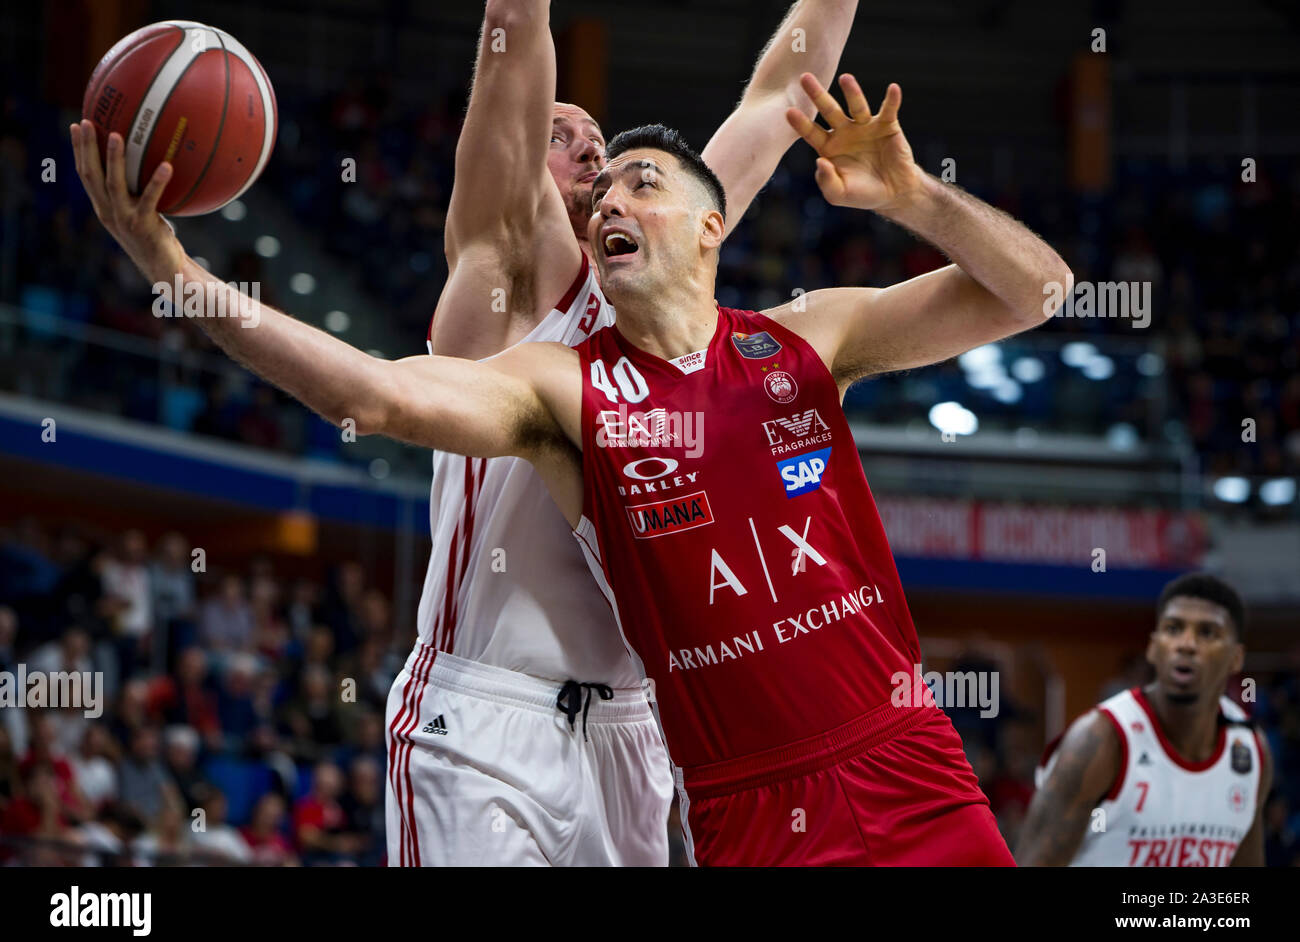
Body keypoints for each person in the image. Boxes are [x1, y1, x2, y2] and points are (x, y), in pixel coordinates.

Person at [69, 64, 1068, 863]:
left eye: (642, 180)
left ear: (712, 226)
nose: (608, 200)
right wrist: (180, 276)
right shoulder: (561, 390)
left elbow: (1037, 291)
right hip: (742, 806)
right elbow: (368, 394)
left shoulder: (809, 337)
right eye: (599, 192)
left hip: (906, 761)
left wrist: (914, 197)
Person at [396, 0, 859, 865]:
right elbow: (512, 38)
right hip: (488, 710)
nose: (593, 152)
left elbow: (775, 100)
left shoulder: (657, 300)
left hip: (634, 731)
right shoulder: (500, 278)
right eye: (563, 134)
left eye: (603, 148)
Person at [1016, 573, 1271, 866]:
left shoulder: (1250, 750)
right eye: (1173, 629)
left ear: (1236, 658)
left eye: (1207, 633)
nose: (1186, 644)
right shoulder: (1098, 741)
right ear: (1153, 647)